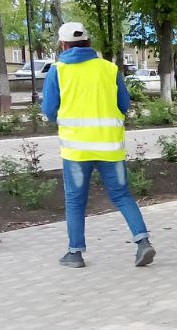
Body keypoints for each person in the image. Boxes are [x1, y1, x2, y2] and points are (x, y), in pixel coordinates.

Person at [41, 22, 155, 269]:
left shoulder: (58, 70)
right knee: (122, 195)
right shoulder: (109, 68)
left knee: (75, 201)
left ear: (63, 44)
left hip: (76, 150)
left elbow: (49, 109)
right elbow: (123, 104)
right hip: (109, 147)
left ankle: (75, 253)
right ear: (88, 43)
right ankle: (143, 242)